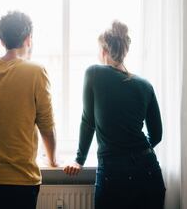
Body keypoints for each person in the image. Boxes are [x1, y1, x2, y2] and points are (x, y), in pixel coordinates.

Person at [63, 21, 165, 209]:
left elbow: (88, 121)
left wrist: (79, 159)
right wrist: (134, 152)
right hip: (148, 171)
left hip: (114, 172)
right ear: (125, 51)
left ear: (103, 51)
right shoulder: (145, 85)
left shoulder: (94, 73)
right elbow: (157, 135)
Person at [0, 11, 57, 209]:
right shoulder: (35, 71)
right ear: (29, 39)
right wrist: (52, 159)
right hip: (20, 179)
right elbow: (46, 126)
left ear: (1, 40)